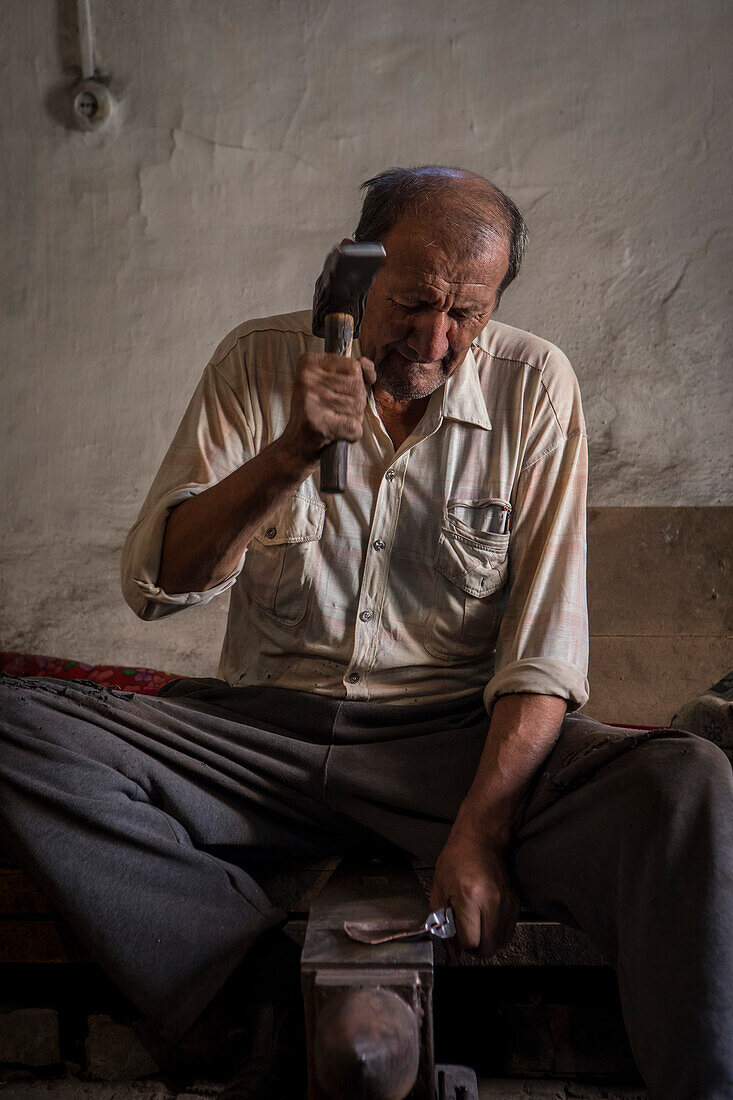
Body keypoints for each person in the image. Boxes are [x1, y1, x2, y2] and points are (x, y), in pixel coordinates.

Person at [1, 167, 731, 1100]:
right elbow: (158, 584)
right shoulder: (257, 361)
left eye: (466, 312)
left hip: (447, 748)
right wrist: (293, 451)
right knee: (16, 725)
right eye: (413, 302)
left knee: (685, 782)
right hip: (256, 740)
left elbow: (544, 649)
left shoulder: (532, 383)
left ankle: (703, 1086)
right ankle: (246, 989)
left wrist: (478, 832)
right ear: (351, 275)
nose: (435, 338)